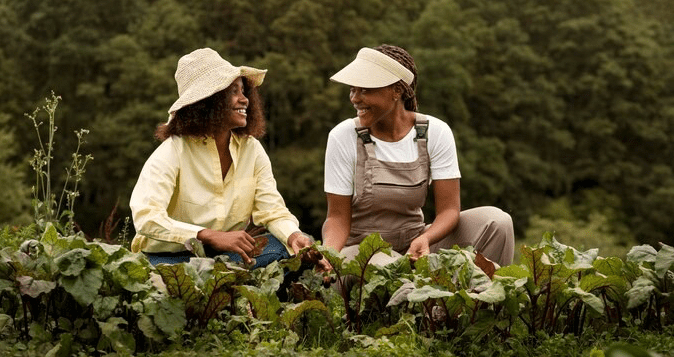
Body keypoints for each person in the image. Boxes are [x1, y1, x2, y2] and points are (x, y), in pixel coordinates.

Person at [322, 45, 515, 268]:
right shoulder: (342, 136)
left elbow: (450, 210)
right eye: (352, 90)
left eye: (365, 90)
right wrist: (327, 255)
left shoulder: (435, 131)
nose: (355, 99)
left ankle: (477, 300)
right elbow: (337, 219)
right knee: (386, 266)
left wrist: (426, 238)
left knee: (498, 222)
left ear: (396, 91)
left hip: (415, 241)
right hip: (362, 251)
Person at [129, 47, 313, 269]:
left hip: (225, 257)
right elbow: (146, 217)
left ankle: (225, 279)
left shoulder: (251, 150)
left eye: (244, 91)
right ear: (208, 100)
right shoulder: (173, 151)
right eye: (233, 92)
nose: (244, 99)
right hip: (170, 259)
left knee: (286, 249)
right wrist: (206, 235)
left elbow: (272, 209)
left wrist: (293, 236)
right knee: (180, 279)